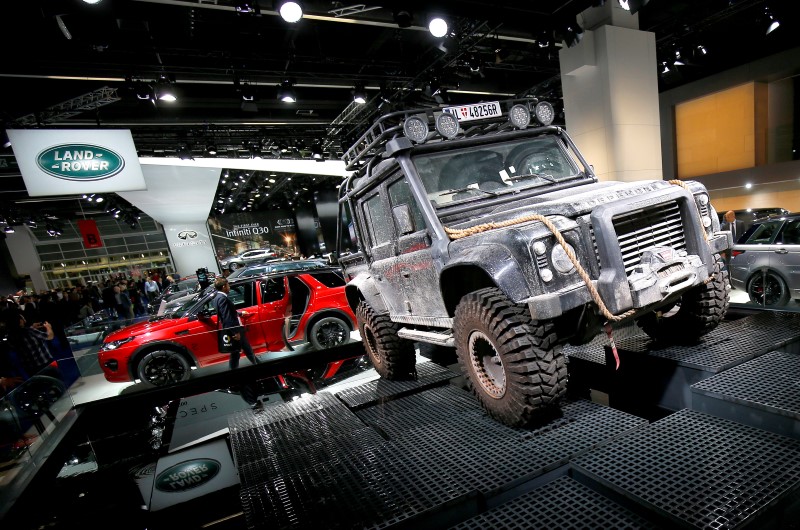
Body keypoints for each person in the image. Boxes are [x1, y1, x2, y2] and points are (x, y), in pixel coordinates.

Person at [211, 277, 259, 369]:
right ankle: (258, 367)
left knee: (236, 353)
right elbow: (227, 316)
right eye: (228, 285)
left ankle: (253, 365)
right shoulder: (222, 298)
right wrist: (235, 332)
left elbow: (228, 312)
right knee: (245, 350)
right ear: (224, 286)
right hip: (235, 329)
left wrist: (240, 313)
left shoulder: (217, 298)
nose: (229, 287)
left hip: (232, 329)